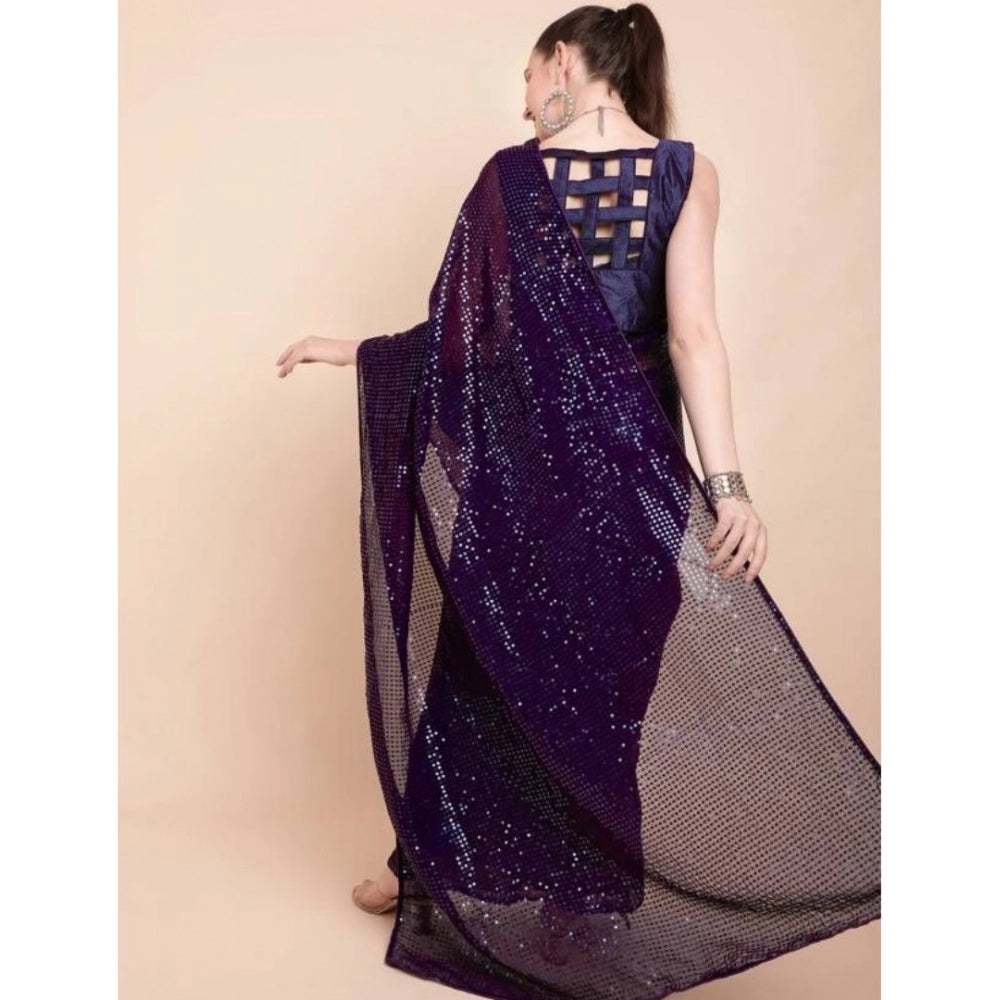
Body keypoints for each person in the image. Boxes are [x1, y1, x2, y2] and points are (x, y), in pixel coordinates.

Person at [276, 5, 879, 998]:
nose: (524, 102)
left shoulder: (514, 177)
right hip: (614, 488)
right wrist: (726, 486)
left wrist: (726, 488)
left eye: (527, 76)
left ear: (562, 62)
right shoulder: (681, 171)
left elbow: (478, 345)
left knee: (496, 680)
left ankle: (539, 890)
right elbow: (686, 337)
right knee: (570, 689)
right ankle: (473, 879)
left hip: (543, 484)